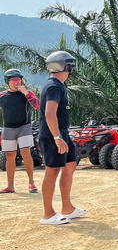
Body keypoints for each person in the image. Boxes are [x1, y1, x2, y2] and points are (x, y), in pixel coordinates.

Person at [39, 51, 85, 225]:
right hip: (53, 135)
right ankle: (48, 214)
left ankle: (68, 208)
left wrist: (62, 135)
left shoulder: (60, 85)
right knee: (52, 170)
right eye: (70, 65)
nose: (71, 68)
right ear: (64, 66)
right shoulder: (53, 86)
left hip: (62, 133)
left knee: (70, 164)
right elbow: (49, 113)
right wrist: (57, 137)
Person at [1, 69, 39, 194]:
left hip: (24, 126)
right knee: (9, 156)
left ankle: (31, 183)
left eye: (19, 80)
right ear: (8, 82)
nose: (16, 83)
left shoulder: (27, 93)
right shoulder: (2, 96)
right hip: (8, 127)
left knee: (25, 153)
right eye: (13, 81)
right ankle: (10, 186)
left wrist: (26, 93)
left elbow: (37, 105)